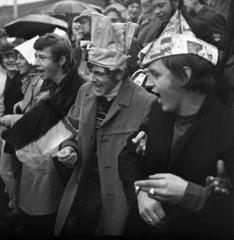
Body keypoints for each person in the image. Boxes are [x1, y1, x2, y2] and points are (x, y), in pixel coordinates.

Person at [118, 11, 234, 236]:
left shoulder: (228, 128)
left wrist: (193, 196)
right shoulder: (160, 110)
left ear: (184, 76)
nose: (148, 84)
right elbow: (128, 155)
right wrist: (141, 193)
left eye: (155, 75)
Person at [54, 12, 157, 236]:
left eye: (99, 73)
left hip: (119, 192)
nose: (91, 79)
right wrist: (68, 147)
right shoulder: (86, 91)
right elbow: (70, 128)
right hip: (86, 184)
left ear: (119, 74)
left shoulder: (146, 102)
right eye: (90, 72)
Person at [5, 33, 86, 236]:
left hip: (62, 168)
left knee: (52, 220)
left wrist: (20, 121)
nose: (36, 62)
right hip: (45, 162)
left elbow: (73, 128)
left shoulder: (82, 88)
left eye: (42, 57)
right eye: (35, 56)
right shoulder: (48, 81)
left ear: (61, 60)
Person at [0, 42, 23, 216]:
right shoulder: (5, 78)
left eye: (14, 56)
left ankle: (14, 204)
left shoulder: (22, 78)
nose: (11, 60)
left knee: (6, 169)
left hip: (15, 130)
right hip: (6, 129)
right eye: (7, 56)